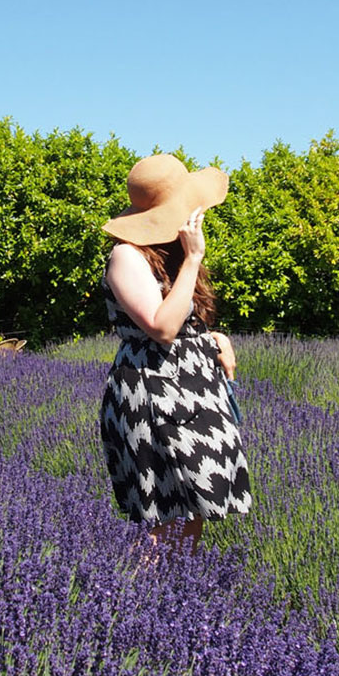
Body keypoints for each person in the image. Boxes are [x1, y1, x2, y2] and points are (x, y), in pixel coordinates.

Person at [98, 154, 252, 555]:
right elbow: (161, 326)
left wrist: (214, 336)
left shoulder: (170, 253)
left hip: (193, 390)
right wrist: (194, 258)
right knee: (159, 516)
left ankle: (175, 599)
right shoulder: (126, 257)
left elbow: (182, 323)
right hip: (152, 393)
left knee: (196, 505)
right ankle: (137, 607)